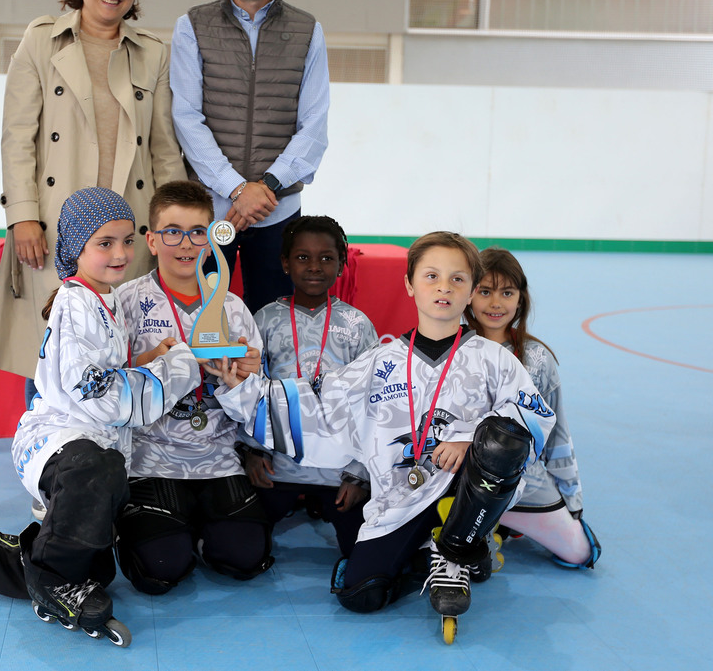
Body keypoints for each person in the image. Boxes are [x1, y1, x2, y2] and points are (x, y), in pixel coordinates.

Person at [0, 188, 202, 641]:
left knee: (94, 564)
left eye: (126, 240)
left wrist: (148, 358)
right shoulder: (78, 303)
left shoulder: (105, 295)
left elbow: (108, 368)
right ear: (77, 248)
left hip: (90, 441)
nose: (120, 253)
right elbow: (100, 395)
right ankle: (55, 583)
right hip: (61, 443)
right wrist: (177, 370)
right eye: (105, 243)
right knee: (97, 472)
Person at [211, 232, 557, 627]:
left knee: (501, 441)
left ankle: (456, 548)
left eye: (457, 279)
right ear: (410, 284)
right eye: (431, 276)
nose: (444, 287)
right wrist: (243, 388)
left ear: (471, 290)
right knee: (360, 596)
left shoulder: (495, 360)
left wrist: (468, 434)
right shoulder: (380, 361)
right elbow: (317, 405)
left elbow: (533, 418)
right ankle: (426, 559)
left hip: (460, 494)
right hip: (400, 499)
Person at [0, 0, 186, 403]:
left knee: (124, 352)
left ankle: (123, 470)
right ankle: (51, 466)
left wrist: (173, 229)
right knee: (52, 353)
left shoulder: (153, 52)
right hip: (55, 228)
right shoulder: (41, 42)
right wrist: (23, 216)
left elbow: (163, 150)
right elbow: (17, 138)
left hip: (128, 227)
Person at [171, 0, 330, 314]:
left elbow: (314, 124)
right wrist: (236, 189)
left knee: (275, 328)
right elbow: (186, 117)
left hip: (278, 213)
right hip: (208, 213)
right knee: (199, 326)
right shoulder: (192, 26)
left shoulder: (308, 30)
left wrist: (266, 188)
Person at [112, 181, 269, 593]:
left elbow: (258, 406)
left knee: (246, 559)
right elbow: (103, 388)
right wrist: (149, 362)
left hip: (217, 457)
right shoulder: (124, 302)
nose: (186, 244)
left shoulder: (232, 308)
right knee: (159, 570)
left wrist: (249, 380)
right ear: (151, 239)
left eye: (198, 231)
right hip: (150, 460)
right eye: (172, 231)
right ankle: (166, 527)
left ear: (214, 237)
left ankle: (195, 526)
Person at [242, 216, 378, 559]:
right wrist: (252, 452)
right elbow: (250, 390)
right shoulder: (265, 320)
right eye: (303, 257)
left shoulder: (357, 325)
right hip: (278, 465)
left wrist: (359, 474)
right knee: (244, 551)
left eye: (327, 258)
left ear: (342, 264)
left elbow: (373, 403)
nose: (314, 267)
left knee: (362, 555)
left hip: (339, 471)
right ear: (285, 263)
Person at [465, 247, 601, 569]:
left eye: (506, 292)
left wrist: (572, 504)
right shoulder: (455, 349)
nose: (495, 303)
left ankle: (504, 521)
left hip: (523, 478)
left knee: (580, 554)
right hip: (464, 477)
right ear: (469, 294)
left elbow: (557, 438)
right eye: (485, 291)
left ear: (520, 299)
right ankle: (485, 525)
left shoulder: (538, 360)